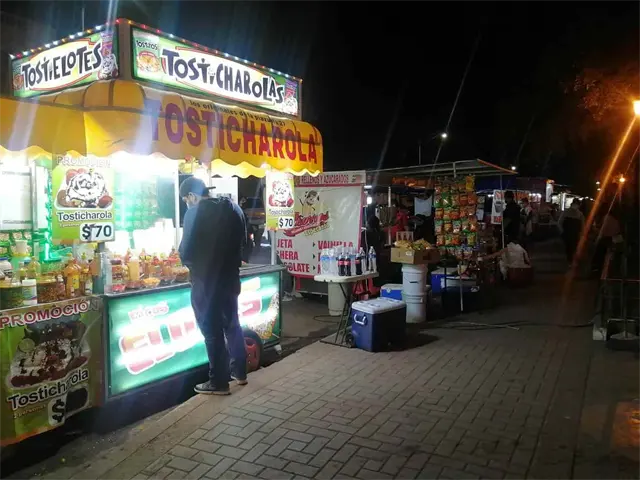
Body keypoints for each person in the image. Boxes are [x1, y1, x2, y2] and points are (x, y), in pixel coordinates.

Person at [179, 177, 248, 395]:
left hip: (205, 282)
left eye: (185, 200)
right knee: (232, 324)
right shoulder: (234, 208)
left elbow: (185, 252)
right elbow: (245, 243)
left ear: (192, 196)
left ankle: (218, 382)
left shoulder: (193, 213)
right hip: (230, 279)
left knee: (211, 330)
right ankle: (240, 372)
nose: (187, 204)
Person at [591, 207, 621, 275]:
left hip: (604, 239)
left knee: (599, 255)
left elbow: (602, 229)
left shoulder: (606, 217)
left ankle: (597, 270)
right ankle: (605, 272)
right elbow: (617, 231)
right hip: (611, 240)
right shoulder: (616, 221)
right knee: (607, 257)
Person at [558, 199, 585, 265]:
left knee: (571, 246)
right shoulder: (576, 213)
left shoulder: (579, 214)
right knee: (570, 246)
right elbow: (560, 222)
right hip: (570, 233)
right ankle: (571, 259)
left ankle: (571, 259)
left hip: (572, 233)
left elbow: (582, 224)